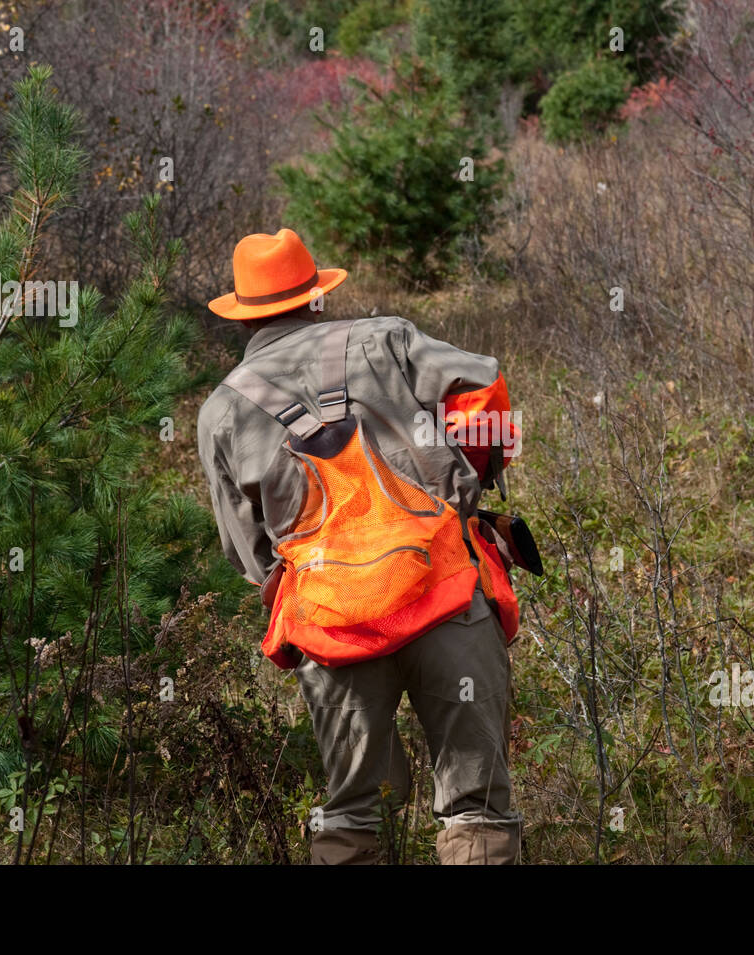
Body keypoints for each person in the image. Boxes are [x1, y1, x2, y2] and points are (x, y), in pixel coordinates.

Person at [197, 228, 523, 864]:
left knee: (349, 817)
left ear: (242, 320)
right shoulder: (388, 338)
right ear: (317, 298)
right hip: (447, 598)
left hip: (334, 632)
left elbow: (248, 555)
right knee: (475, 809)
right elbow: (484, 391)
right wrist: (468, 485)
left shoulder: (221, 411)